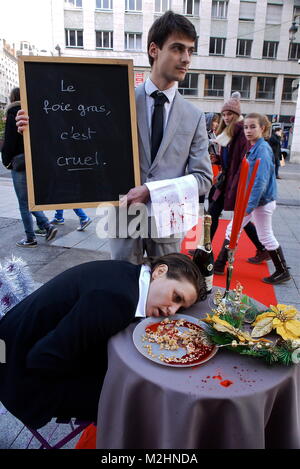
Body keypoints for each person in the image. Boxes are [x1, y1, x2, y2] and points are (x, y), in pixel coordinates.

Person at [16, 12, 212, 262]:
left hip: (167, 220)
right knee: (121, 288)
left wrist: (150, 191)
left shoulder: (194, 116)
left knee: (162, 293)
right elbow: (77, 134)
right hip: (123, 214)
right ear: (154, 49)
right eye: (177, 49)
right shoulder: (118, 100)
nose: (186, 59)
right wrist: (37, 129)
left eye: (190, 51)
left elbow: (204, 178)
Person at [0, 253, 206, 429]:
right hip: (19, 375)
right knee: (137, 401)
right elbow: (43, 359)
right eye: (176, 297)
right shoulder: (117, 301)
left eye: (180, 308)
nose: (171, 311)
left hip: (16, 340)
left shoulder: (130, 273)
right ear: (160, 271)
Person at [225, 113, 291, 285]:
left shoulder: (261, 149)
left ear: (262, 128)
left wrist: (247, 206)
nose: (248, 130)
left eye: (253, 126)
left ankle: (218, 264)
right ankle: (282, 270)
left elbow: (259, 182)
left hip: (257, 202)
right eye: (246, 127)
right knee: (258, 234)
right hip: (257, 202)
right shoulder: (256, 146)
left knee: (241, 231)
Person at [208, 92, 269, 274]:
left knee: (239, 219)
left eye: (230, 114)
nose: (226, 117)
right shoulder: (229, 133)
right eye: (224, 114)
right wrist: (218, 159)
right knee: (215, 213)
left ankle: (262, 248)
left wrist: (236, 184)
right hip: (227, 181)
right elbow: (231, 159)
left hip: (235, 182)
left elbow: (244, 162)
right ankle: (207, 249)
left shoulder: (241, 133)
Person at [1, 88, 57, 247]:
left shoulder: (13, 113)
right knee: (30, 199)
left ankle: (30, 237)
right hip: (33, 160)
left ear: (12, 98)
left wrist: (6, 161)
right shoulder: (32, 113)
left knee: (23, 203)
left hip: (18, 162)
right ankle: (46, 226)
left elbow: (9, 142)